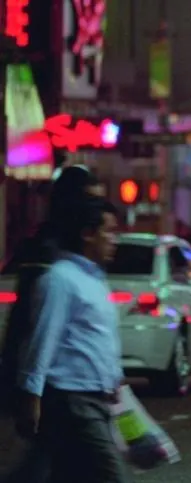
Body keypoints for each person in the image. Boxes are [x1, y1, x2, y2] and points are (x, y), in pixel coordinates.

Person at [15, 195, 131, 483]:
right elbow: (43, 338)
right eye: (109, 231)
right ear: (88, 233)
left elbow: (96, 338)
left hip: (97, 399)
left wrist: (114, 379)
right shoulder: (60, 279)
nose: (115, 240)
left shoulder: (94, 280)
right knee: (111, 476)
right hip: (72, 401)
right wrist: (31, 396)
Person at [1, 166, 103, 483]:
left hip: (60, 380)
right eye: (91, 201)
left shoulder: (72, 250)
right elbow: (36, 327)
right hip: (50, 381)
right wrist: (29, 388)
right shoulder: (50, 252)